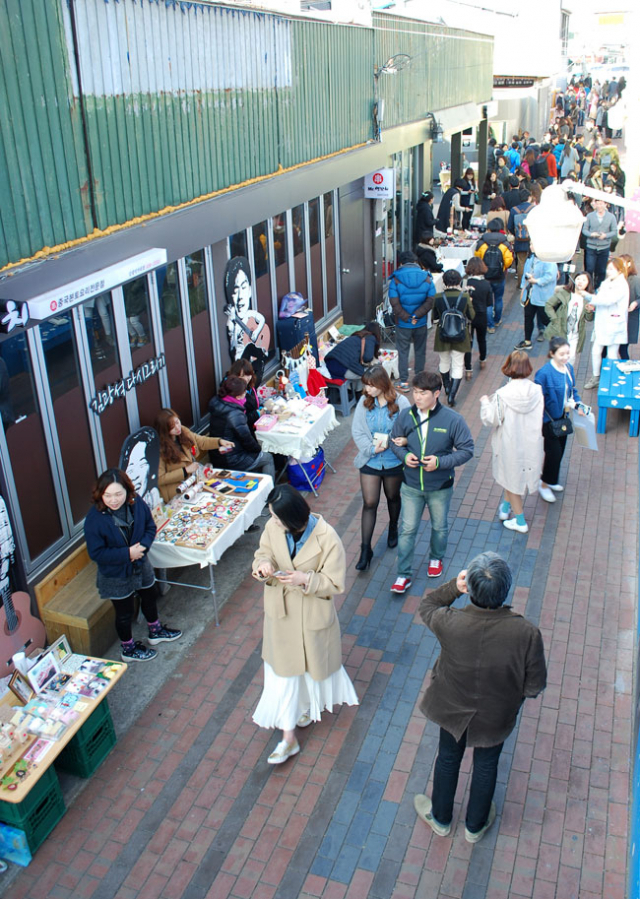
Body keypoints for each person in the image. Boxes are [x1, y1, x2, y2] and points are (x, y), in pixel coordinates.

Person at [413, 553, 546, 842]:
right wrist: (512, 700)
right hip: (496, 715)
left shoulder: (450, 622)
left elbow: (427, 605)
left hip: (451, 708)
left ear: (470, 590)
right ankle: (475, 827)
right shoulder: (527, 633)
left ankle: (441, 820)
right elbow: (535, 685)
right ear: (505, 590)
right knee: (487, 765)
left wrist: (453, 587)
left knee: (448, 759)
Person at [251, 485, 358, 764]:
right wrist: (263, 566)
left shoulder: (327, 537)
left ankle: (307, 708)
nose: (272, 522)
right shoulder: (273, 528)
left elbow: (335, 583)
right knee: (282, 675)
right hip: (282, 616)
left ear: (292, 517)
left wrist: (305, 580)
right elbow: (262, 553)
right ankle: (288, 738)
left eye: (276, 518)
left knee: (310, 670)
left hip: (311, 616)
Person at [84, 469, 182, 662]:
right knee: (124, 612)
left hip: (141, 562)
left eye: (118, 494)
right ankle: (127, 649)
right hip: (114, 573)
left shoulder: (136, 503)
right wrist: (127, 553)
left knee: (150, 595)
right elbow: (96, 553)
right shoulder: (94, 519)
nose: (114, 500)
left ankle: (155, 631)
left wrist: (143, 546)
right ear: (100, 494)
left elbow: (150, 527)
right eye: (108, 495)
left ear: (127, 491)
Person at [389, 370, 474, 591]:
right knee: (407, 529)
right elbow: (394, 442)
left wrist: (440, 462)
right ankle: (403, 574)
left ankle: (436, 557)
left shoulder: (453, 419)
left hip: (440, 487)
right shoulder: (406, 415)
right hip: (411, 485)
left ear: (436, 394)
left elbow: (467, 450)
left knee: (439, 526)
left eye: (423, 393)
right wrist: (404, 456)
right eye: (415, 392)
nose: (417, 397)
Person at [351, 366, 410, 570]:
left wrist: (404, 441)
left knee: (393, 498)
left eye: (371, 385)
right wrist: (370, 448)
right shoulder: (364, 402)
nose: (367, 389)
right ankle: (365, 549)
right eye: (366, 385)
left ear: (382, 383)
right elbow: (357, 431)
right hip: (371, 460)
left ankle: (393, 527)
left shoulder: (401, 402)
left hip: (394, 460)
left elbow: (411, 428)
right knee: (370, 503)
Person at [479, 352, 544, 533]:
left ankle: (520, 520)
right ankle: (505, 508)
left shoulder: (503, 394)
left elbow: (492, 419)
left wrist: (485, 403)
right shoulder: (537, 390)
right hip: (531, 442)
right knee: (514, 478)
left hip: (510, 443)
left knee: (511, 479)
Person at [535, 337, 584, 502]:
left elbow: (573, 391)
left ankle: (551, 480)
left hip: (563, 417)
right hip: (548, 421)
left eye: (567, 353)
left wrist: (578, 404)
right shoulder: (544, 374)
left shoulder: (568, 368)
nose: (566, 357)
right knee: (553, 453)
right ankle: (544, 484)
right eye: (562, 354)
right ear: (552, 354)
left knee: (560, 451)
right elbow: (537, 399)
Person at [155, 408, 233, 502]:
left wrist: (219, 442)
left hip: (193, 483)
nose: (177, 427)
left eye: (177, 422)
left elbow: (201, 441)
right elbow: (160, 479)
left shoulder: (183, 431)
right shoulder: (160, 449)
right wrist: (185, 471)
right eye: (172, 426)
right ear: (164, 429)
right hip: (177, 493)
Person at [208, 376, 276, 481]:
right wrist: (259, 449)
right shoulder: (235, 414)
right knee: (267, 458)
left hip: (218, 455)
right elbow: (247, 440)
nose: (246, 396)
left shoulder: (218, 403)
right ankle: (270, 492)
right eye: (244, 393)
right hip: (233, 459)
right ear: (238, 396)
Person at [388, 252, 436, 391]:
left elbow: (394, 303)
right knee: (420, 350)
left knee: (403, 351)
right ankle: (419, 380)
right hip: (420, 322)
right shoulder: (427, 278)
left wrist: (407, 317)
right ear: (415, 261)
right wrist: (417, 316)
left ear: (401, 263)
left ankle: (404, 382)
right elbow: (430, 300)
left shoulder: (396, 280)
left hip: (403, 323)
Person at [583, 258, 629, 390]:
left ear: (619, 270)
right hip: (603, 323)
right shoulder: (607, 282)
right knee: (596, 351)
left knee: (612, 353)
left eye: (611, 269)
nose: (608, 272)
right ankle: (596, 377)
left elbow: (608, 300)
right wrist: (594, 304)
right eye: (608, 269)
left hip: (613, 324)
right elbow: (601, 299)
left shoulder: (621, 285)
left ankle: (611, 379)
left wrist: (589, 297)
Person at [431, 269, 475, 407]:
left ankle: (447, 387)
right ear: (459, 281)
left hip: (442, 336)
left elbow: (435, 318)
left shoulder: (438, 297)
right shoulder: (464, 297)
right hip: (461, 336)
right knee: (458, 365)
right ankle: (452, 396)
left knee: (444, 362)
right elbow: (472, 316)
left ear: (444, 281)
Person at [543, 272, 595, 365]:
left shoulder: (588, 298)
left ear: (588, 283)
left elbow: (589, 318)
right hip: (560, 331)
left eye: (584, 280)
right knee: (558, 358)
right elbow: (549, 305)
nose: (580, 282)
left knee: (571, 358)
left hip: (575, 334)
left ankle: (567, 377)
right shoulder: (565, 293)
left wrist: (589, 311)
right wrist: (555, 319)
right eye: (578, 278)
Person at [474, 219, 514, 332]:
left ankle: (490, 325)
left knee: (487, 301)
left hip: (485, 276)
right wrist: (503, 268)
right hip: (499, 276)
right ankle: (497, 320)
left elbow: (477, 258)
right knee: (498, 298)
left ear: (489, 228)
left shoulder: (482, 243)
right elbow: (509, 260)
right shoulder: (504, 243)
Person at [515, 249, 558, 349]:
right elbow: (525, 272)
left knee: (545, 319)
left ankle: (556, 339)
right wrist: (523, 286)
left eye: (532, 244)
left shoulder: (549, 260)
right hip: (530, 294)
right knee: (528, 317)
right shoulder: (531, 258)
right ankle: (527, 341)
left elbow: (550, 276)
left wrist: (536, 281)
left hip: (543, 296)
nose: (531, 246)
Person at [464, 258, 493, 378]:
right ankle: (482, 360)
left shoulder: (466, 283)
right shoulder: (486, 284)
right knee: (482, 339)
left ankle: (468, 369)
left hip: (469, 317)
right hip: (481, 315)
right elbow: (489, 303)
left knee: (468, 343)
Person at [583, 198, 617, 292]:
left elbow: (614, 231)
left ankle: (599, 288)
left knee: (601, 270)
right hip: (591, 247)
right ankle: (588, 287)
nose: (599, 206)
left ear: (605, 204)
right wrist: (591, 234)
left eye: (601, 204)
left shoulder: (611, 217)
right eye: (597, 204)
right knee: (589, 268)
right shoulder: (590, 216)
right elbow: (584, 230)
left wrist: (605, 235)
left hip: (604, 247)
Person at [507, 189, 535, 277]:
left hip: (519, 239)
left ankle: (520, 284)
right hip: (532, 239)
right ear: (529, 197)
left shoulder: (514, 210)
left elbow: (510, 226)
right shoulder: (534, 209)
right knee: (533, 261)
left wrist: (516, 234)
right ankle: (531, 281)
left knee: (521, 262)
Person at [228, 359, 260, 430]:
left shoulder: (250, 387)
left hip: (255, 425)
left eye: (249, 374)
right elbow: (240, 420)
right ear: (235, 376)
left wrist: (262, 408)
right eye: (243, 375)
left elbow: (255, 405)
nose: (246, 378)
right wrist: (258, 413)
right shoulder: (233, 393)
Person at [619, 255, 639, 361]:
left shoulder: (635, 280)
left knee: (622, 349)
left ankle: (626, 369)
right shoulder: (615, 279)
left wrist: (635, 303)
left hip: (628, 320)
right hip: (616, 319)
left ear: (629, 264)